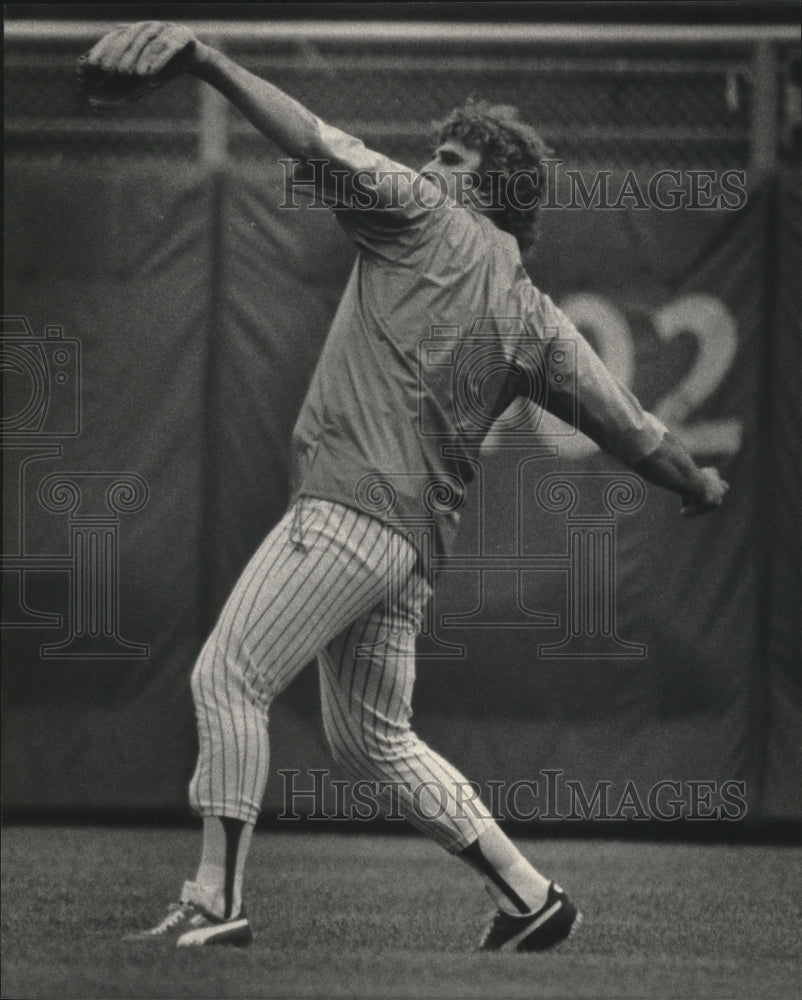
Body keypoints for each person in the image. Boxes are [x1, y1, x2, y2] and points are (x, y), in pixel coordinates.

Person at [85, 22, 728, 952]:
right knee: (371, 742)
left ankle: (214, 900)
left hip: (350, 512)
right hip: (411, 550)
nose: (430, 162)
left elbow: (310, 139)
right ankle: (529, 896)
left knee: (227, 674)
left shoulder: (424, 215)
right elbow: (637, 431)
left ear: (485, 187)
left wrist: (208, 62)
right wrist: (697, 484)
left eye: (451, 155)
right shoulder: (535, 319)